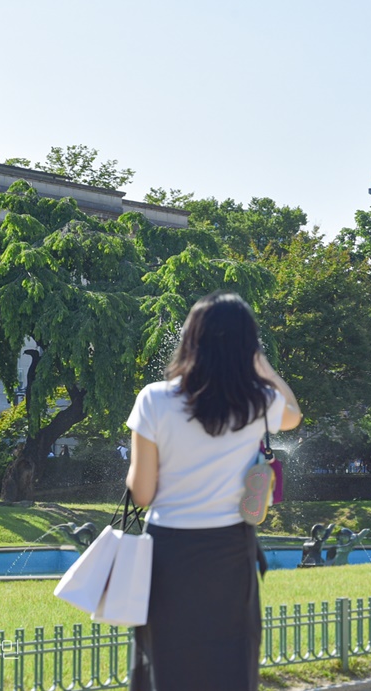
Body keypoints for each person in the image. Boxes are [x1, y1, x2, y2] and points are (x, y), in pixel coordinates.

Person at [124, 291, 301, 691]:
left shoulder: (154, 398)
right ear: (247, 345)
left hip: (168, 551)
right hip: (230, 550)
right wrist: (262, 364)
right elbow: (293, 414)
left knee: (166, 660)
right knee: (230, 662)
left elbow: (143, 493)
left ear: (191, 339)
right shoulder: (257, 402)